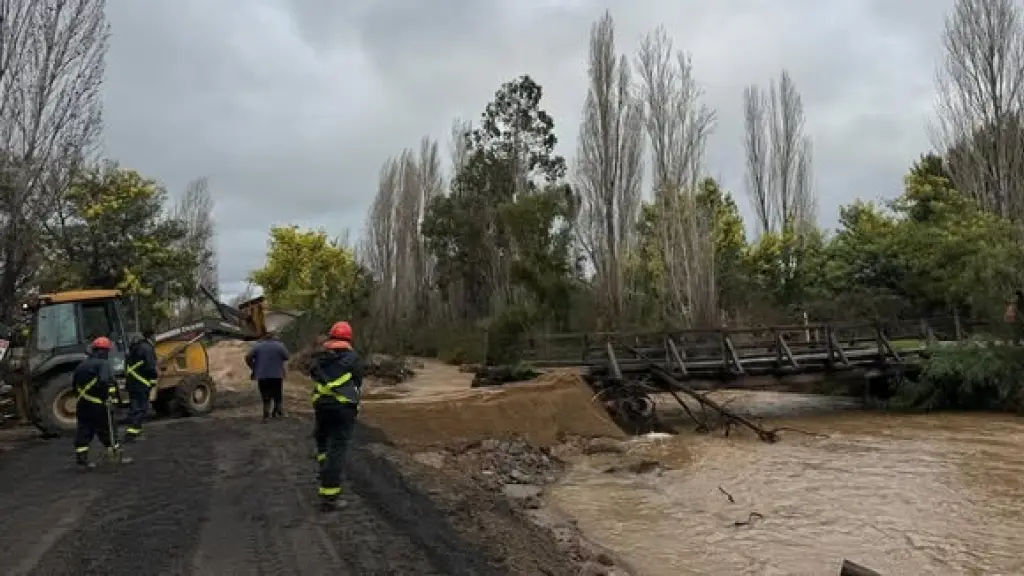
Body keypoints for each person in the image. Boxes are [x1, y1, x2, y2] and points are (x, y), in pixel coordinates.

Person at [309, 321, 363, 511]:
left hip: (321, 405)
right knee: (337, 449)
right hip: (343, 408)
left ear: (331, 336)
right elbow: (357, 383)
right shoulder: (353, 358)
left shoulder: (320, 357)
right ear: (349, 338)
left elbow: (313, 374)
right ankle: (330, 495)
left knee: (323, 441)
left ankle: (325, 473)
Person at [73, 336, 132, 469]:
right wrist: (109, 398)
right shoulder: (103, 364)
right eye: (107, 351)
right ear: (102, 351)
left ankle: (82, 460)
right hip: (98, 404)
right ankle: (116, 455)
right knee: (107, 429)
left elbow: (74, 385)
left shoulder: (81, 365)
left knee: (84, 430)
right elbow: (105, 382)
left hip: (82, 404)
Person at [245, 330, 290, 420]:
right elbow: (287, 357)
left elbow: (248, 357)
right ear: (274, 336)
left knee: (265, 394)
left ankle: (266, 414)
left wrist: (254, 367)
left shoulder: (257, 346)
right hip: (276, 375)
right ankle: (278, 411)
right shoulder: (280, 346)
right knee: (277, 393)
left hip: (262, 375)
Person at [123, 328, 158, 442]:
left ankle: (137, 431)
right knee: (142, 409)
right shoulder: (147, 348)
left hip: (131, 383)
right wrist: (153, 380)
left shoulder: (132, 349)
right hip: (142, 383)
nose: (155, 338)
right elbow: (150, 366)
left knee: (134, 408)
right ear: (150, 336)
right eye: (154, 335)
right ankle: (132, 433)